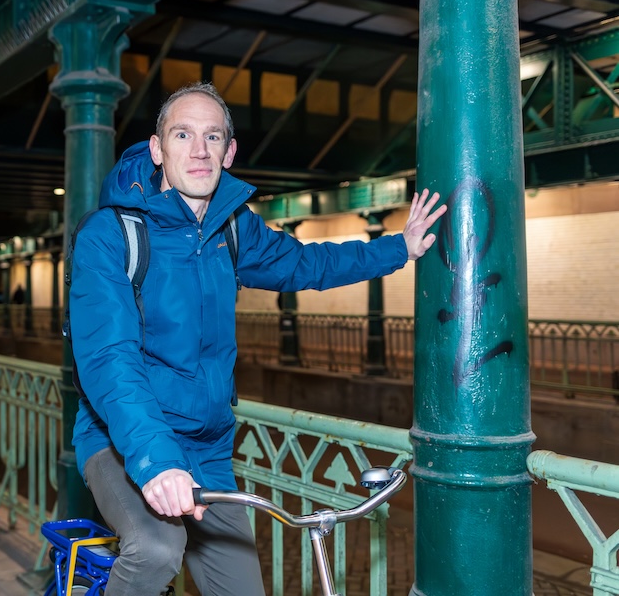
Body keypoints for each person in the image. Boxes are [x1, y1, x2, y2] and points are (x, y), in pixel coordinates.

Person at [68, 81, 446, 596]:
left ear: (229, 151)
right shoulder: (110, 236)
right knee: (156, 551)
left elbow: (306, 263)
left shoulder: (232, 229)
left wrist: (397, 248)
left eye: (213, 137)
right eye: (182, 135)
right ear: (158, 150)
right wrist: (157, 461)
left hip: (208, 447)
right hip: (122, 439)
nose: (199, 150)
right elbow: (110, 361)